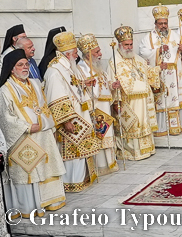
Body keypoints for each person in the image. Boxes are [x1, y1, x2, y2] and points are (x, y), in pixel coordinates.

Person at [0, 49, 66, 216]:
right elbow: (6, 118)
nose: (24, 67)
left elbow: (44, 106)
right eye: (20, 65)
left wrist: (46, 124)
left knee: (47, 167)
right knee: (28, 171)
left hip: (42, 134)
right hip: (23, 138)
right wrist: (28, 127)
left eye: (26, 64)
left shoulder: (36, 83)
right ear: (11, 69)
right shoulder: (5, 90)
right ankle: (29, 207)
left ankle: (50, 201)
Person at [43, 32, 102, 193]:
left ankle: (81, 179)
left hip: (79, 114)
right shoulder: (55, 71)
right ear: (67, 54)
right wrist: (66, 120)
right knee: (73, 151)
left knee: (81, 150)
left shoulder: (68, 66)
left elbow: (71, 86)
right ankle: (71, 182)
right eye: (75, 52)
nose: (77, 55)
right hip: (70, 118)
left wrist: (84, 83)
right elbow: (56, 96)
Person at [108, 26, 158, 160]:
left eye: (131, 44)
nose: (129, 47)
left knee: (144, 122)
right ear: (119, 45)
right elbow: (112, 83)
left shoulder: (138, 59)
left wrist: (157, 69)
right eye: (126, 45)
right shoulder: (114, 62)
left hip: (143, 100)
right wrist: (116, 100)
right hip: (129, 102)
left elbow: (147, 73)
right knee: (132, 125)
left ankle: (147, 149)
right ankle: (132, 152)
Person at [137, 4, 182, 136]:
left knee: (173, 99)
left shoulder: (175, 35)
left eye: (165, 23)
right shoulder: (148, 38)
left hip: (174, 74)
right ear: (155, 23)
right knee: (161, 100)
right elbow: (143, 53)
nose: (163, 26)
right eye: (160, 23)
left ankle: (174, 127)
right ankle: (161, 128)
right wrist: (157, 51)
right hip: (159, 73)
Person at [76, 34, 118, 177]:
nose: (100, 54)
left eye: (99, 51)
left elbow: (104, 85)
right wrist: (88, 85)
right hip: (96, 109)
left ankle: (110, 162)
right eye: (96, 52)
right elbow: (82, 90)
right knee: (100, 135)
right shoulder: (81, 69)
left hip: (105, 107)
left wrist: (112, 85)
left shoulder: (98, 67)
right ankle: (100, 166)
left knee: (108, 134)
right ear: (88, 54)